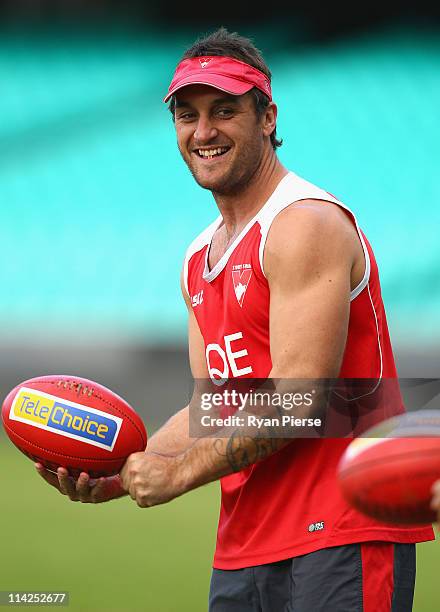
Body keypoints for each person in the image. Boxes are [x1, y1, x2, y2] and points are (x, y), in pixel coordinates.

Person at [36, 28, 434, 612]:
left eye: (225, 110)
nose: (203, 132)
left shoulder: (305, 225)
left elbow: (301, 400)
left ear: (267, 116)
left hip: (342, 535)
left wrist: (176, 477)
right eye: (186, 115)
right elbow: (215, 408)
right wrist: (120, 476)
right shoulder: (198, 260)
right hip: (245, 547)